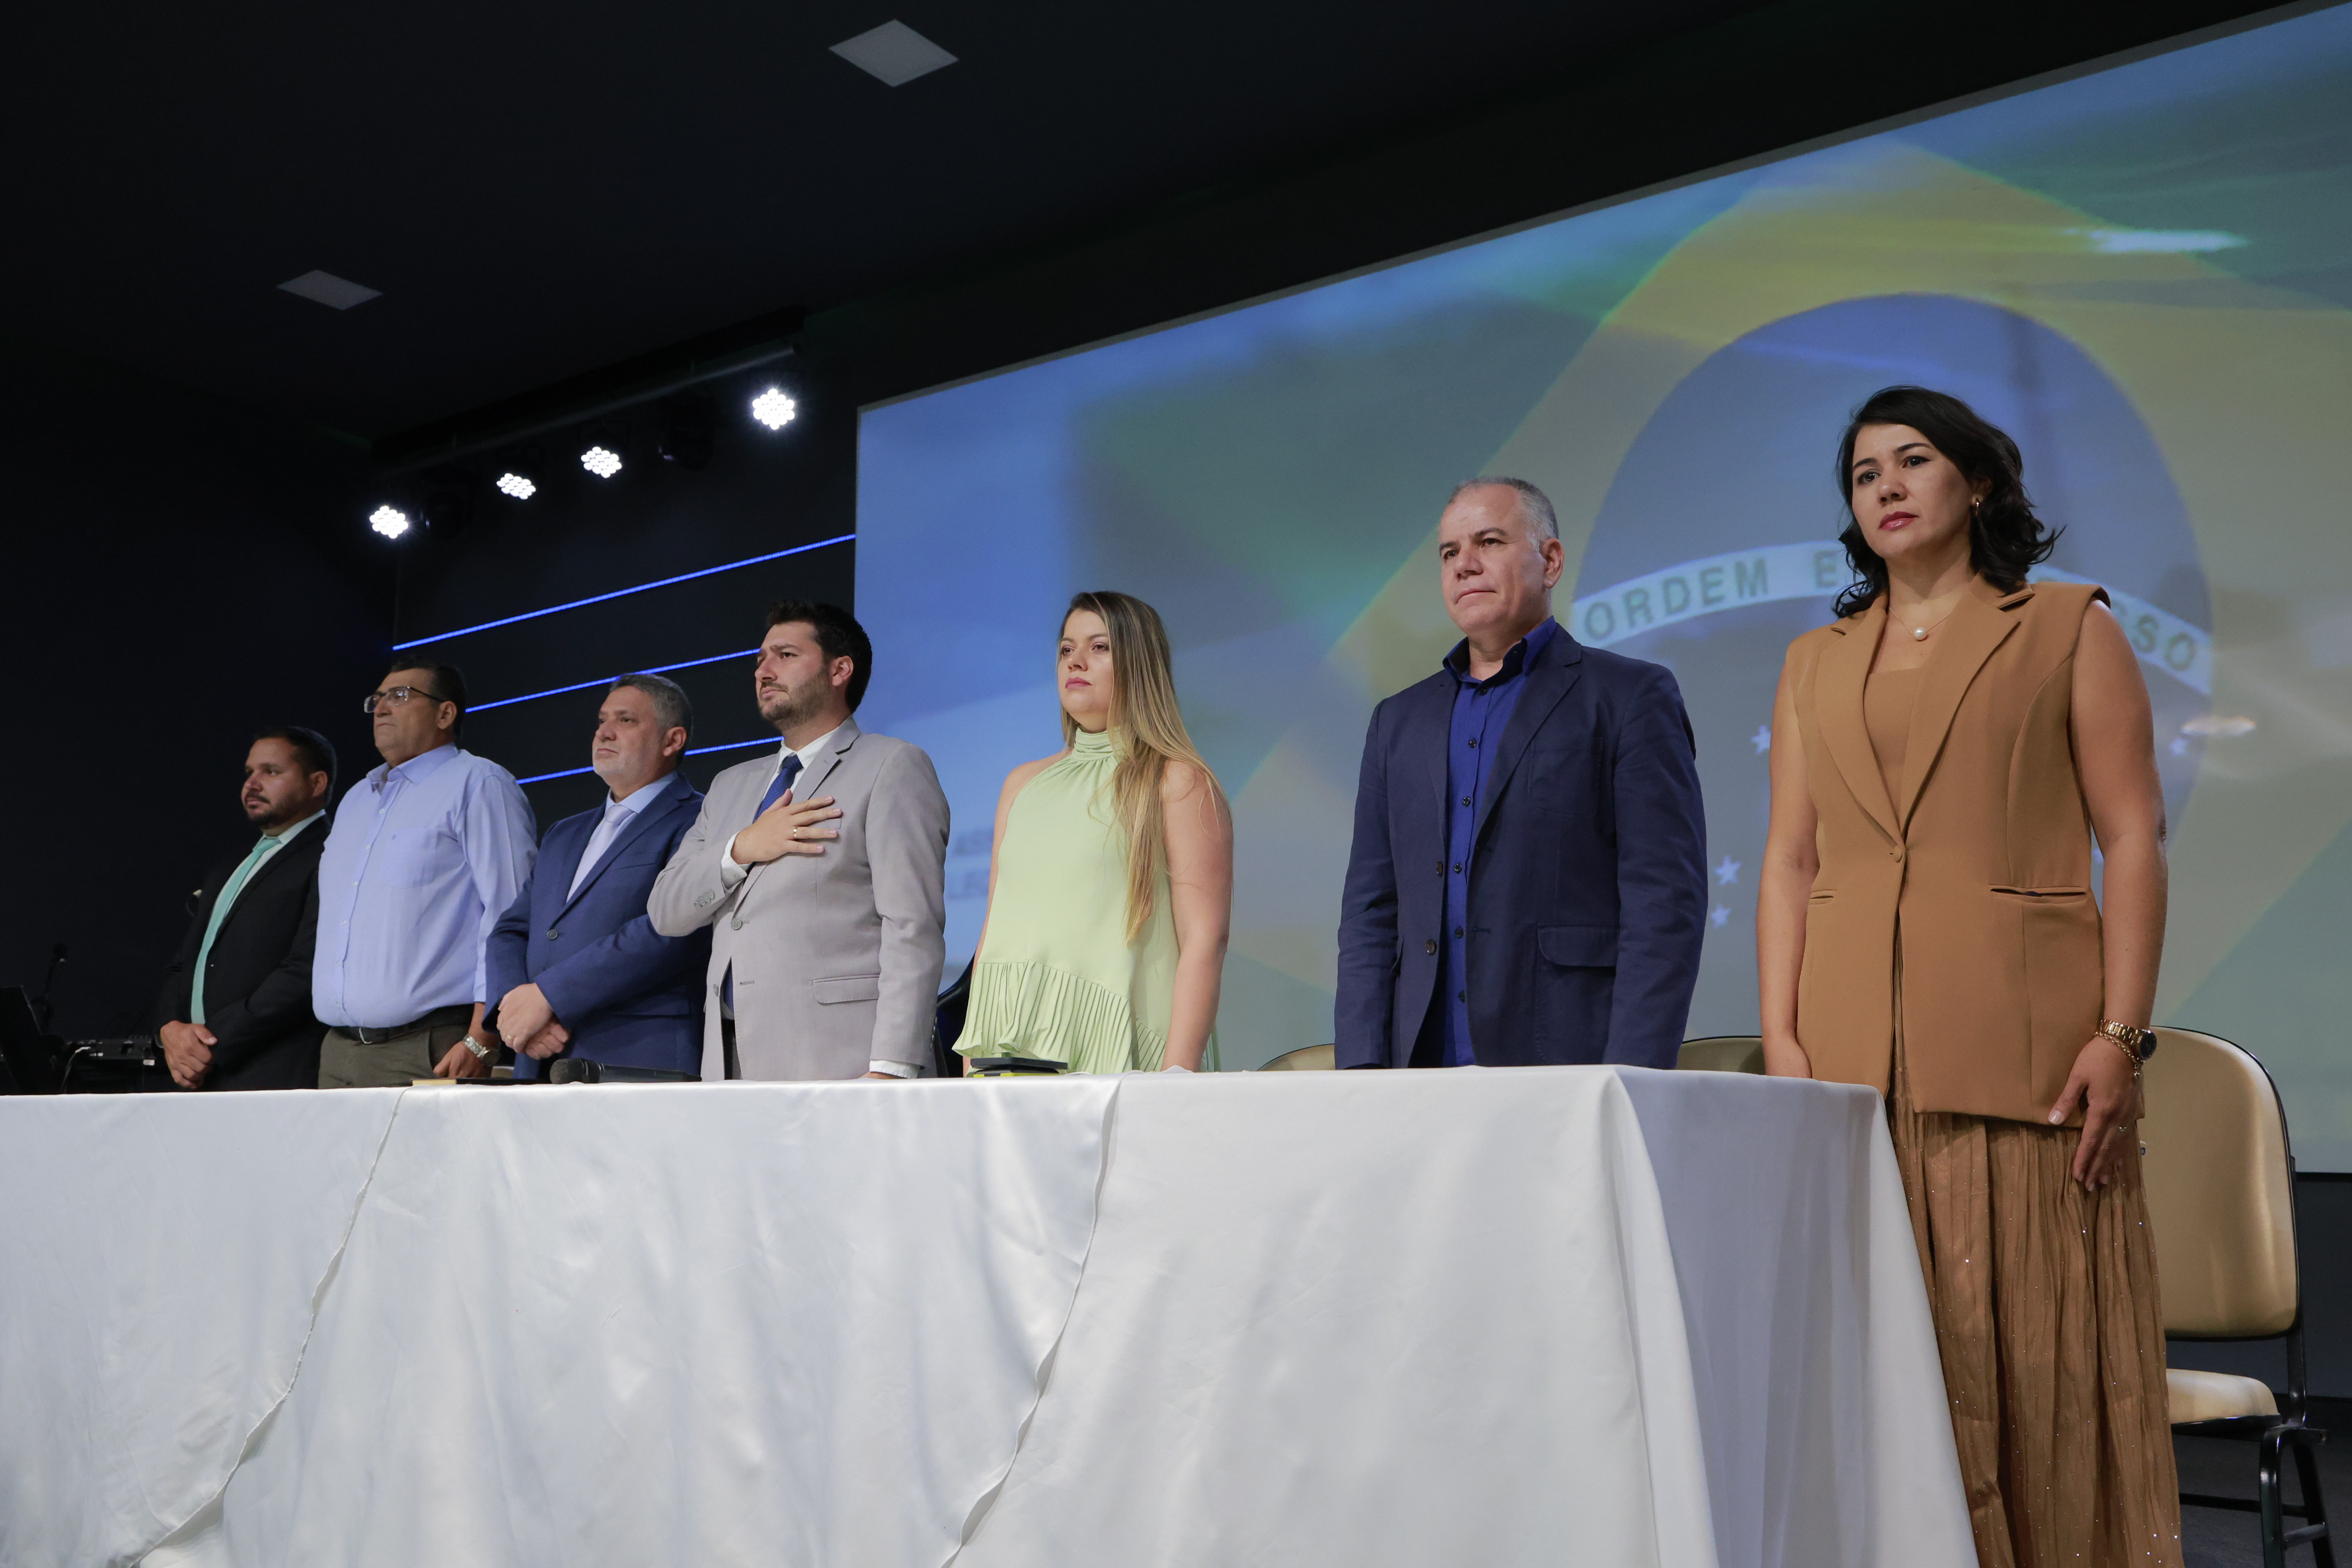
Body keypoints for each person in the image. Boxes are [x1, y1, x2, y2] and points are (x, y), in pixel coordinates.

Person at [1756, 386, 2178, 1567]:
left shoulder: (2066, 626)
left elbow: (2132, 834)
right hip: (1849, 1074)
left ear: (1978, 480)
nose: (1885, 486)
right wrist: (1782, 1040)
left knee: (2033, 1374)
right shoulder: (1811, 661)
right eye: (1863, 474)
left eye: (1912, 460)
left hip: (2023, 1062)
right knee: (1874, 1381)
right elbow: (1788, 861)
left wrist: (2121, 1033)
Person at [1336, 478, 1707, 1069]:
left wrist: (1631, 1074)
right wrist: (1361, 1070)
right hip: (1419, 1075)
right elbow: (1370, 912)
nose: (1464, 565)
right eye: (1449, 552)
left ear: (1551, 561)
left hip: (1569, 1065)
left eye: (1488, 542)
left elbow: (1663, 903)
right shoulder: (1397, 722)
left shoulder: (1630, 697)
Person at [648, 601, 949, 1080]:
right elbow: (667, 911)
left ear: (840, 670)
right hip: (730, 1062)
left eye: (785, 655)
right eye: (760, 660)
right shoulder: (730, 785)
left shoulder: (891, 765)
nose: (763, 671)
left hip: (843, 1061)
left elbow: (912, 925)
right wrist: (740, 849)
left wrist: (892, 1066)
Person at [953, 592, 1233, 1074]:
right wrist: (974, 1061)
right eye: (1066, 649)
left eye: (1099, 647)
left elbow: (1205, 939)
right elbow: (993, 932)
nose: (1075, 661)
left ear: (1140, 663)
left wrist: (1176, 1078)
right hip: (1008, 1044)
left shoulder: (1176, 780)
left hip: (1124, 1056)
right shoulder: (1023, 784)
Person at [312, 662, 537, 1087]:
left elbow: (511, 912)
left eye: (399, 696)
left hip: (430, 1048)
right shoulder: (356, 800)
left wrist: (482, 1038)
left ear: (445, 714)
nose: (381, 708)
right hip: (337, 1050)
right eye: (377, 699)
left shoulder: (479, 783)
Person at [485, 674, 710, 1080]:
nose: (604, 732)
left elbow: (672, 930)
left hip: (636, 1054)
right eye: (602, 720)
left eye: (626, 720)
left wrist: (549, 997)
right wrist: (516, 1006)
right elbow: (510, 931)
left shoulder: (702, 818)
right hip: (537, 1054)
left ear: (672, 740)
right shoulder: (564, 833)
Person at [152, 728, 337, 1090]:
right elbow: (185, 962)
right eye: (249, 772)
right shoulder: (230, 866)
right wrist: (169, 1028)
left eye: (271, 771)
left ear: (316, 783)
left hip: (273, 1075)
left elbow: (307, 970)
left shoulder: (332, 856)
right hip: (201, 1074)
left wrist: (212, 1042)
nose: (252, 784)